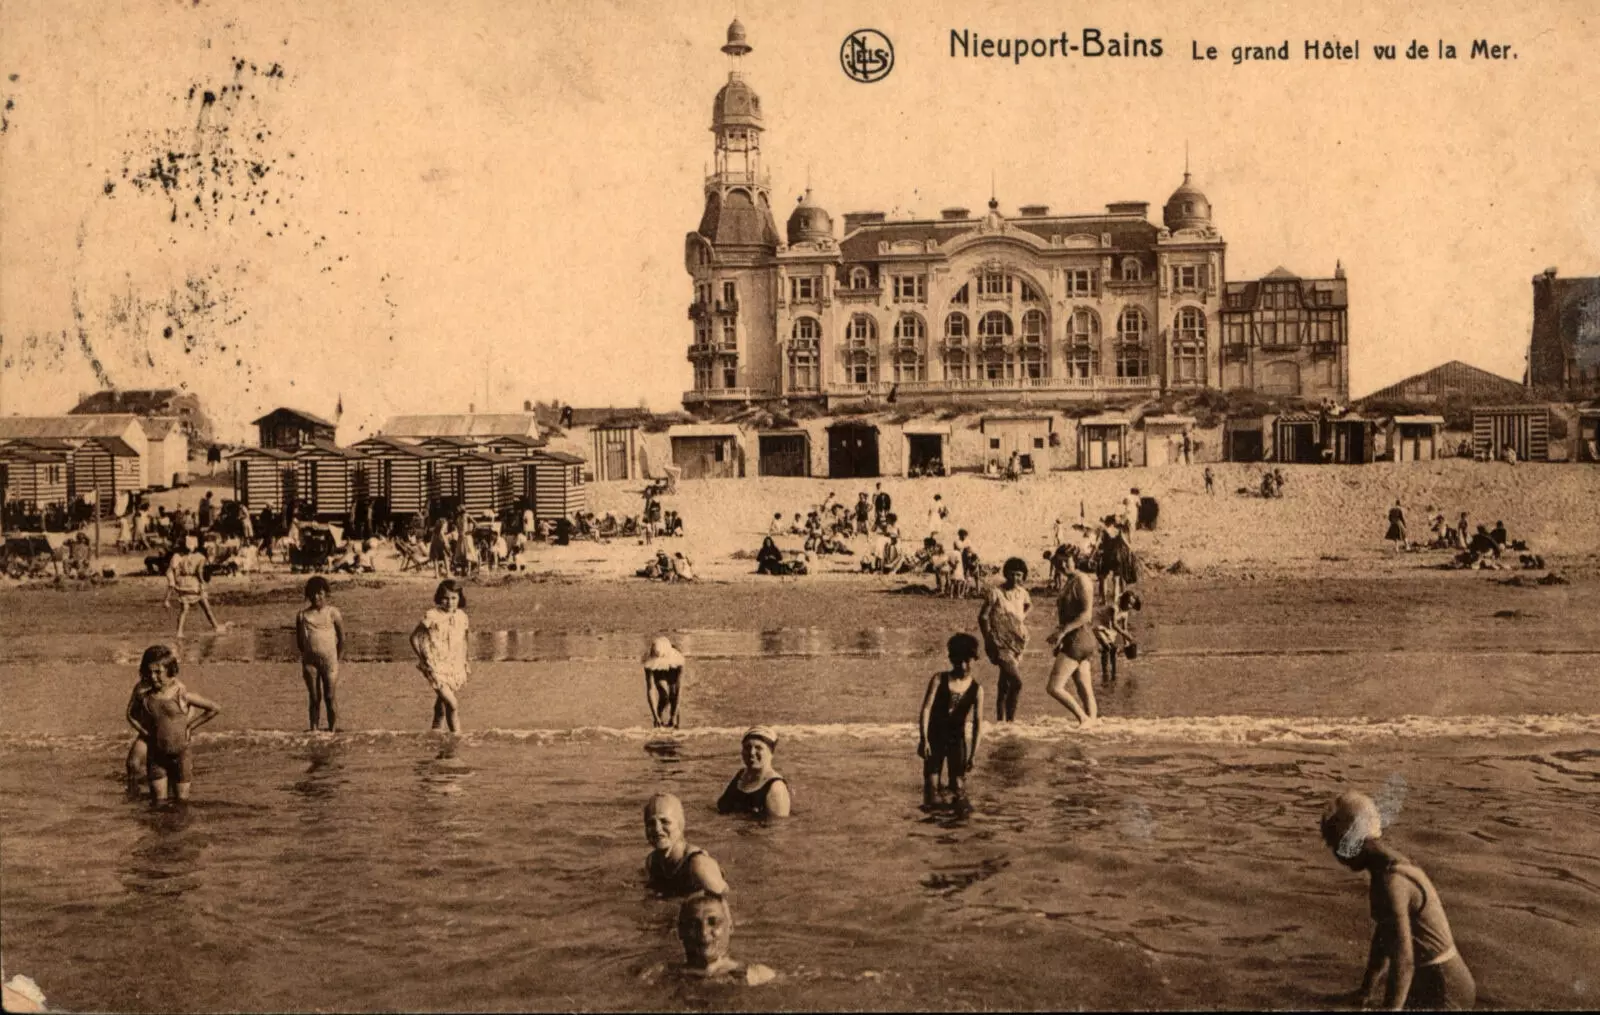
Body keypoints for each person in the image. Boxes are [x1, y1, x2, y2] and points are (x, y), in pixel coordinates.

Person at [1320, 791, 1475, 1010]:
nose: (1336, 856)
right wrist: (1366, 990)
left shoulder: (1391, 881)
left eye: (1335, 845)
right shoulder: (1384, 868)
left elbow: (1404, 960)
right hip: (1433, 979)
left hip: (1444, 986)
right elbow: (1384, 935)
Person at [125, 644, 221, 804]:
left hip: (175, 735)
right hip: (150, 731)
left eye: (157, 672)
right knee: (133, 762)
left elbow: (191, 710)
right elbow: (130, 713)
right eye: (149, 671)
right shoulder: (141, 689)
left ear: (169, 671)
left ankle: (167, 785)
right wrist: (144, 730)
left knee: (180, 798)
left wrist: (188, 727)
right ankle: (132, 791)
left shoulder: (179, 689)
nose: (152, 676)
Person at [918, 633, 983, 809]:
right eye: (958, 661)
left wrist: (973, 755)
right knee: (931, 791)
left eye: (967, 661)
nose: (963, 666)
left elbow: (978, 724)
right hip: (935, 739)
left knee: (960, 792)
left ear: (974, 659)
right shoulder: (939, 679)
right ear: (951, 659)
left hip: (957, 741)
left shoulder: (977, 689)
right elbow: (926, 709)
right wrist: (924, 739)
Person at [667, 894, 775, 985]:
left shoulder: (758, 976)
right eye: (694, 924)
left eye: (713, 922)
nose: (703, 932)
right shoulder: (664, 976)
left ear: (730, 927)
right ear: (681, 931)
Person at [1045, 556, 1100, 728]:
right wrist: (1060, 635)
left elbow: (1086, 615)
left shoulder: (1082, 580)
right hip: (1077, 638)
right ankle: (1094, 724)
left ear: (1074, 560)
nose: (1062, 565)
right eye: (1058, 562)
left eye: (1066, 561)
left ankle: (1083, 719)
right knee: (1085, 689)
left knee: (1054, 687)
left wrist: (1062, 632)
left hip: (1078, 639)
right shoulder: (1070, 580)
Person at [410, 579, 470, 733]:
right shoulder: (432, 615)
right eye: (446, 598)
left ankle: (436, 729)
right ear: (439, 598)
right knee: (452, 704)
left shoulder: (462, 616)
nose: (449, 602)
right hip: (435, 664)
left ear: (459, 598)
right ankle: (456, 737)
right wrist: (423, 659)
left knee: (443, 701)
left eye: (453, 598)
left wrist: (466, 660)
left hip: (454, 663)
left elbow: (464, 638)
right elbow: (414, 638)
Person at [978, 557, 1031, 722]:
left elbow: (1028, 606)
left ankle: (1003, 722)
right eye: (1013, 574)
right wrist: (988, 639)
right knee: (1017, 682)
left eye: (1019, 575)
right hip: (999, 643)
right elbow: (983, 617)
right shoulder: (996, 592)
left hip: (1017, 643)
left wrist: (1020, 620)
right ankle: (1010, 721)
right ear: (1006, 574)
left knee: (1005, 684)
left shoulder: (1023, 593)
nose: (1016, 578)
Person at [644, 794, 728, 897]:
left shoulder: (698, 864)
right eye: (651, 823)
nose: (657, 829)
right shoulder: (652, 861)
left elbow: (725, 901)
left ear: (680, 825)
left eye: (665, 822)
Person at [295, 576, 345, 733]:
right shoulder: (302, 615)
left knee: (330, 697)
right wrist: (307, 656)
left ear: (326, 594)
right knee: (315, 698)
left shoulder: (333, 613)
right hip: (310, 663)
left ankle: (332, 730)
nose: (316, 597)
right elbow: (300, 642)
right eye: (313, 594)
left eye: (320, 593)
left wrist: (338, 658)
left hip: (330, 662)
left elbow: (342, 638)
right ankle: (314, 730)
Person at [716, 726, 792, 817]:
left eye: (758, 748)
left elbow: (777, 828)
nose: (752, 752)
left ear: (771, 752)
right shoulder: (741, 775)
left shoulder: (776, 787)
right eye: (747, 747)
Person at [163, 536, 223, 637]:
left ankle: (179, 632)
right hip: (194, 584)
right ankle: (216, 626)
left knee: (184, 609)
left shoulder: (178, 556)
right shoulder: (200, 557)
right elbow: (199, 572)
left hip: (182, 583)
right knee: (206, 606)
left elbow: (173, 570)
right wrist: (203, 583)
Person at [1096, 589, 1141, 685]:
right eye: (1128, 603)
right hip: (1099, 623)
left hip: (1109, 627)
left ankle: (1113, 673)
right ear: (1123, 601)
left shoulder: (1125, 613)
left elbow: (1124, 628)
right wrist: (1126, 635)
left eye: (1131, 604)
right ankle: (1105, 673)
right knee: (1107, 647)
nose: (1130, 606)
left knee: (1113, 649)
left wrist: (1126, 644)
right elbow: (1115, 625)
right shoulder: (1114, 608)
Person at [643, 636, 685, 728]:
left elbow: (678, 691)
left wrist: (673, 716)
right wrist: (655, 716)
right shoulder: (650, 662)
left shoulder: (678, 663)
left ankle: (675, 725)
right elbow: (650, 689)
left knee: (673, 695)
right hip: (658, 671)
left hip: (672, 667)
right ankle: (658, 721)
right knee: (664, 696)